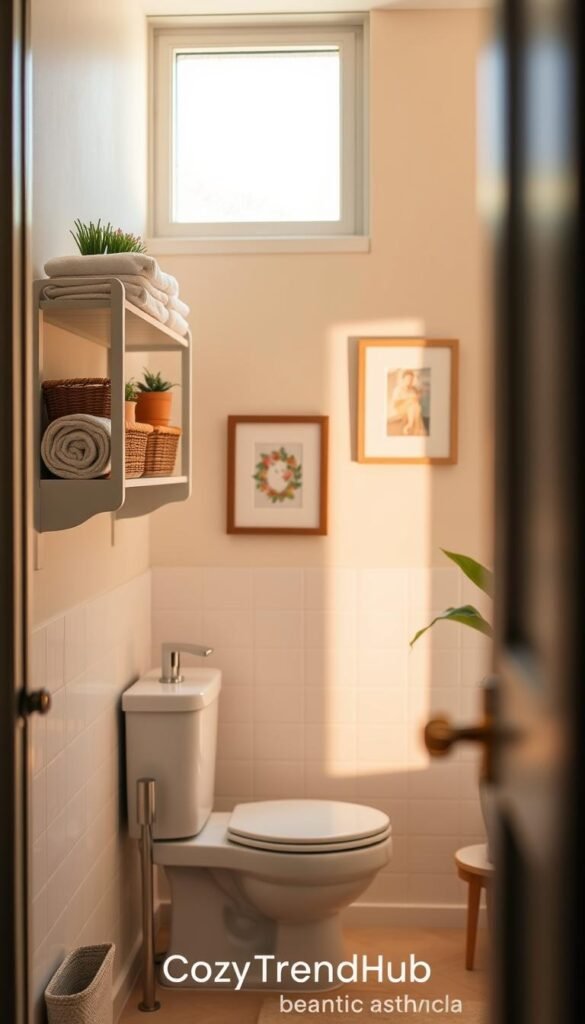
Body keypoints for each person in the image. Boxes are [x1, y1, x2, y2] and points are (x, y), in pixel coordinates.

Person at [390, 369, 426, 435]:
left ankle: (411, 427)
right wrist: (409, 399)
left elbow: (418, 397)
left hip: (413, 408)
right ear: (403, 379)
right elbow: (395, 402)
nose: (409, 381)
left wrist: (417, 396)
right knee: (413, 403)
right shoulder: (398, 389)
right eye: (408, 379)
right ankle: (411, 425)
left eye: (411, 379)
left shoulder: (413, 388)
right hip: (400, 407)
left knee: (415, 406)